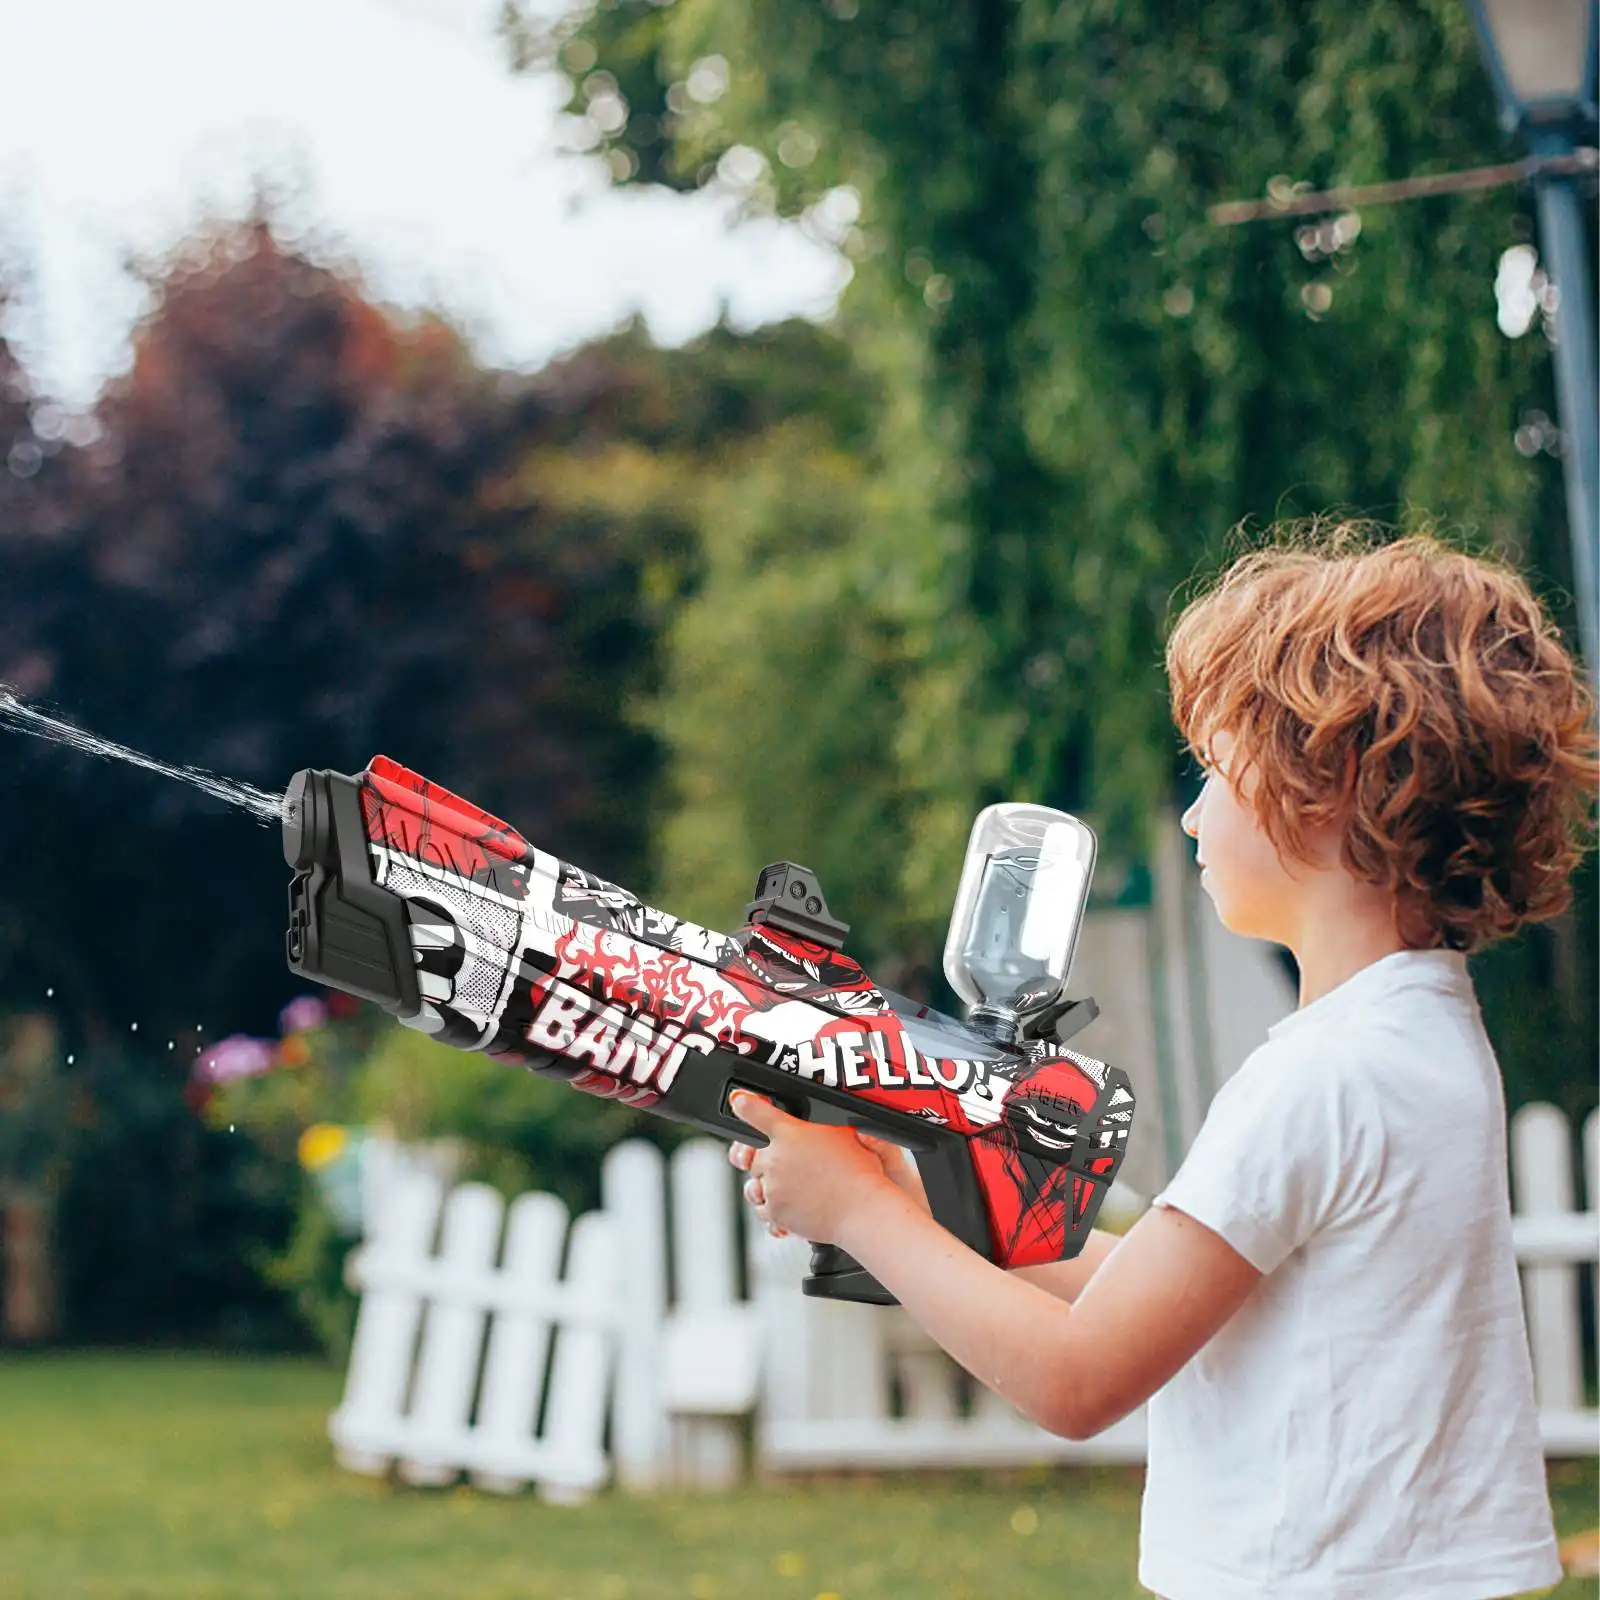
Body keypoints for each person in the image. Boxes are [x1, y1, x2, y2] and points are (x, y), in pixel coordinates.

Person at [728, 526, 1597, 1600]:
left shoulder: (1321, 1080)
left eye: (1216, 770)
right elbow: (1139, 1304)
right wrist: (909, 1185)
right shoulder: (1414, 1041)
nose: (1191, 812)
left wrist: (860, 1214)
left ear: (1324, 789)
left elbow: (1078, 1376)